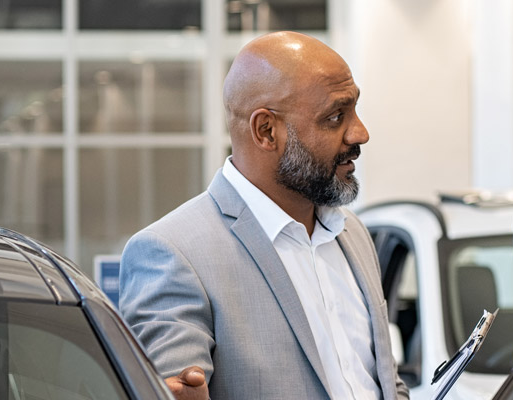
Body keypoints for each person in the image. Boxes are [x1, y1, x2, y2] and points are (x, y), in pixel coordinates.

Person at [118, 31, 408, 400]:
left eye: (354, 110)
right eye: (336, 117)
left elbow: (382, 382)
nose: (360, 133)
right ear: (266, 131)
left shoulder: (350, 232)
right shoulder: (173, 254)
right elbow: (175, 389)